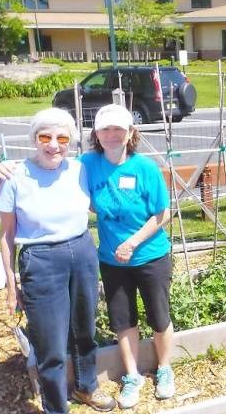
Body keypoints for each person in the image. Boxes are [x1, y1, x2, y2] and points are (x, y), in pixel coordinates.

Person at [0, 108, 115, 414]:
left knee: (85, 330)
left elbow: (115, 158)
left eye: (62, 137)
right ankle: (55, 408)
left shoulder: (79, 169)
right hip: (41, 260)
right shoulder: (14, 176)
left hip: (82, 251)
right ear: (34, 139)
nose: (53, 145)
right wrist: (12, 286)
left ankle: (86, 386)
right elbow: (6, 236)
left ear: (70, 141)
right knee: (51, 346)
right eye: (45, 137)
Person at [82, 104, 175, 409]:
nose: (111, 135)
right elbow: (51, 168)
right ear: (96, 134)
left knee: (159, 317)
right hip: (112, 261)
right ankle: (132, 376)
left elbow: (163, 214)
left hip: (150, 255)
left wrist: (132, 243)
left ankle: (164, 369)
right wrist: (9, 168)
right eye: (105, 129)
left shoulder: (145, 168)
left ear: (131, 133)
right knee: (123, 320)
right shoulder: (87, 164)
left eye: (118, 129)